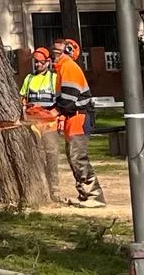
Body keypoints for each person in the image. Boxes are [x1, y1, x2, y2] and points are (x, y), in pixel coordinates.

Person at [52, 37, 104, 207]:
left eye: (56, 50)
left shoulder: (69, 67)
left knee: (78, 157)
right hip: (71, 118)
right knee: (73, 157)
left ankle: (94, 196)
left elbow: (68, 99)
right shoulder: (61, 69)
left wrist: (55, 112)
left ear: (67, 51)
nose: (53, 53)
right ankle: (84, 194)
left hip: (79, 118)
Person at [19, 47, 62, 201]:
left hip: (50, 124)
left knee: (52, 156)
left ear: (47, 62)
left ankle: (55, 189)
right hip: (33, 124)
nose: (37, 65)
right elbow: (23, 98)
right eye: (35, 62)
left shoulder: (54, 79)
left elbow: (60, 101)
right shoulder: (29, 79)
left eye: (40, 62)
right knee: (35, 155)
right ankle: (39, 187)